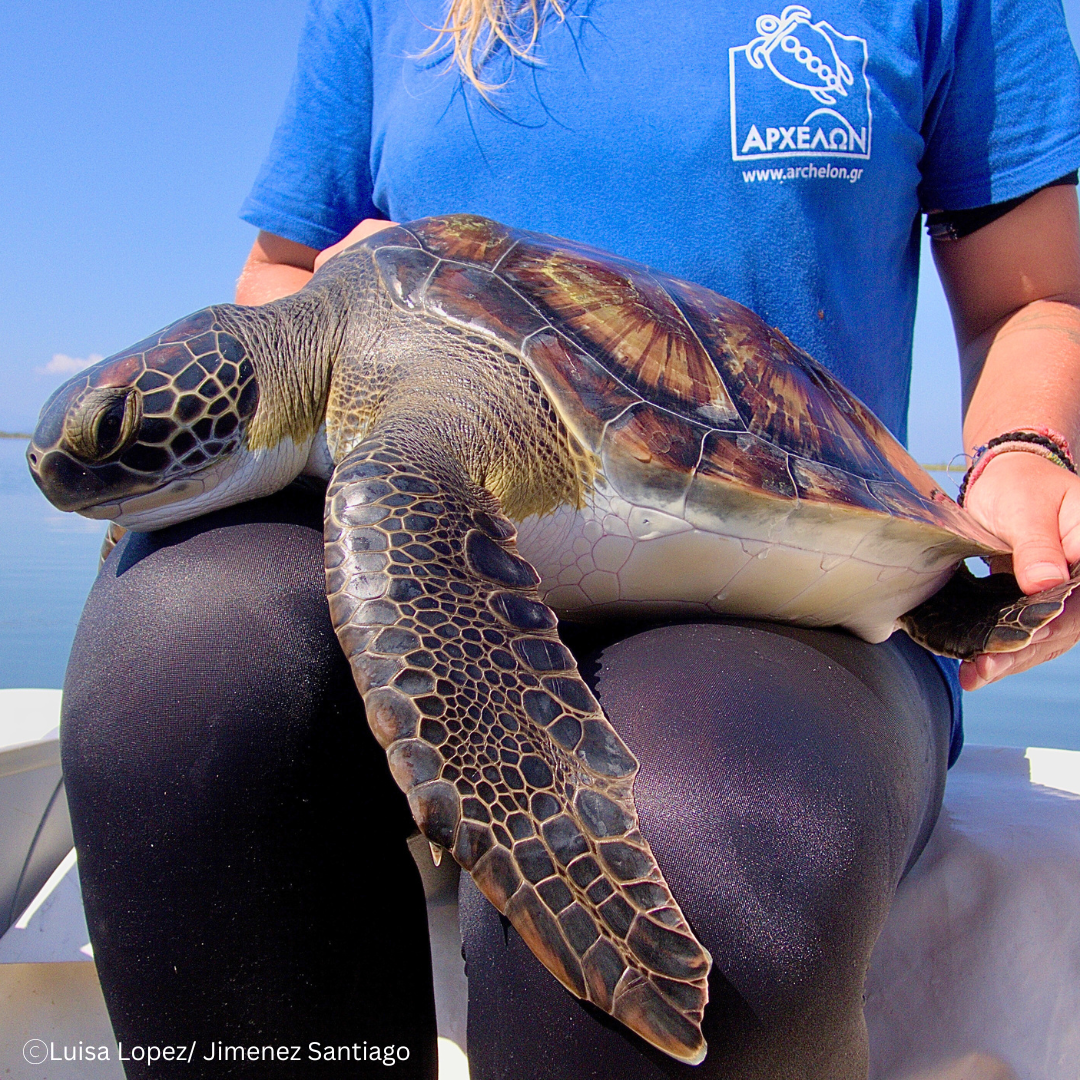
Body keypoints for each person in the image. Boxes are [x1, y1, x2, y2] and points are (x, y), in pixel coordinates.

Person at [59, 1, 1080, 1077]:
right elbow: (278, 282)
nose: (80, 477)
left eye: (118, 437)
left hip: (773, 571)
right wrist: (316, 293)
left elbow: (1037, 297)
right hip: (404, 406)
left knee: (697, 842)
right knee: (174, 668)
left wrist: (1029, 454)